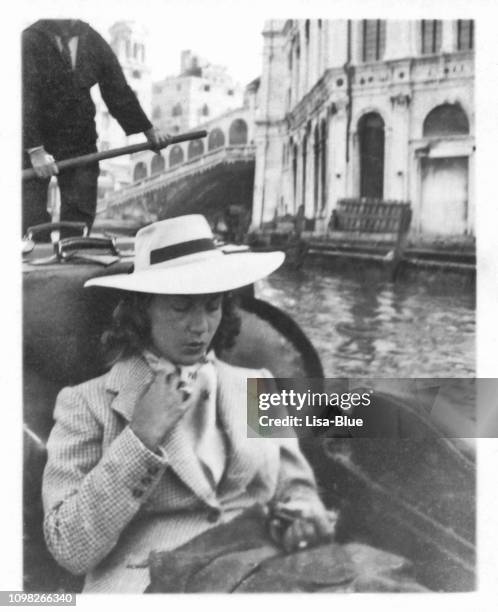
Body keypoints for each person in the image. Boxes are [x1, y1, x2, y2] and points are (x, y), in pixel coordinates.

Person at [42, 214, 337, 593]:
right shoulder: (86, 403)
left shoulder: (255, 386)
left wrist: (304, 515)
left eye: (212, 307)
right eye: (181, 308)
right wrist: (141, 438)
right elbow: (69, 548)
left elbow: (295, 489)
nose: (200, 326)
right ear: (142, 310)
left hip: (263, 574)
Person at [22, 19, 169, 240]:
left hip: (79, 138)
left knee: (80, 211)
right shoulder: (30, 40)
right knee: (29, 215)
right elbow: (24, 96)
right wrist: (35, 151)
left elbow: (117, 88)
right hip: (35, 137)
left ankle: (73, 253)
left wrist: (149, 131)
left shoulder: (91, 39)